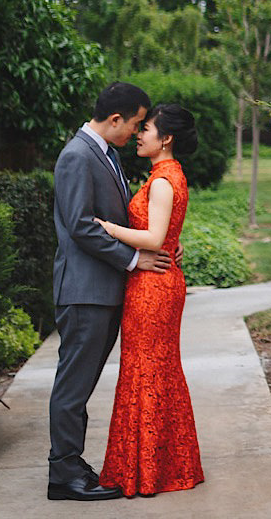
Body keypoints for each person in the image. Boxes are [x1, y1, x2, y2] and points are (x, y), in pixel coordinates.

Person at [47, 82, 176, 502]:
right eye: (136, 124)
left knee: (81, 384)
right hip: (85, 293)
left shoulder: (106, 155)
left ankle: (70, 461)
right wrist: (133, 260)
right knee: (74, 385)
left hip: (102, 292)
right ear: (115, 119)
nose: (136, 132)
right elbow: (81, 224)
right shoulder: (76, 156)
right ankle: (63, 475)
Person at [92, 102, 205, 498]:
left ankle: (147, 471)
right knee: (158, 370)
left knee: (147, 372)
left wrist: (109, 228)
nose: (140, 134)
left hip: (153, 286)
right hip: (160, 280)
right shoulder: (170, 174)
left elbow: (155, 239)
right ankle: (164, 465)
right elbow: (167, 236)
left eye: (148, 129)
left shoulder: (161, 179)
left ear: (166, 138)